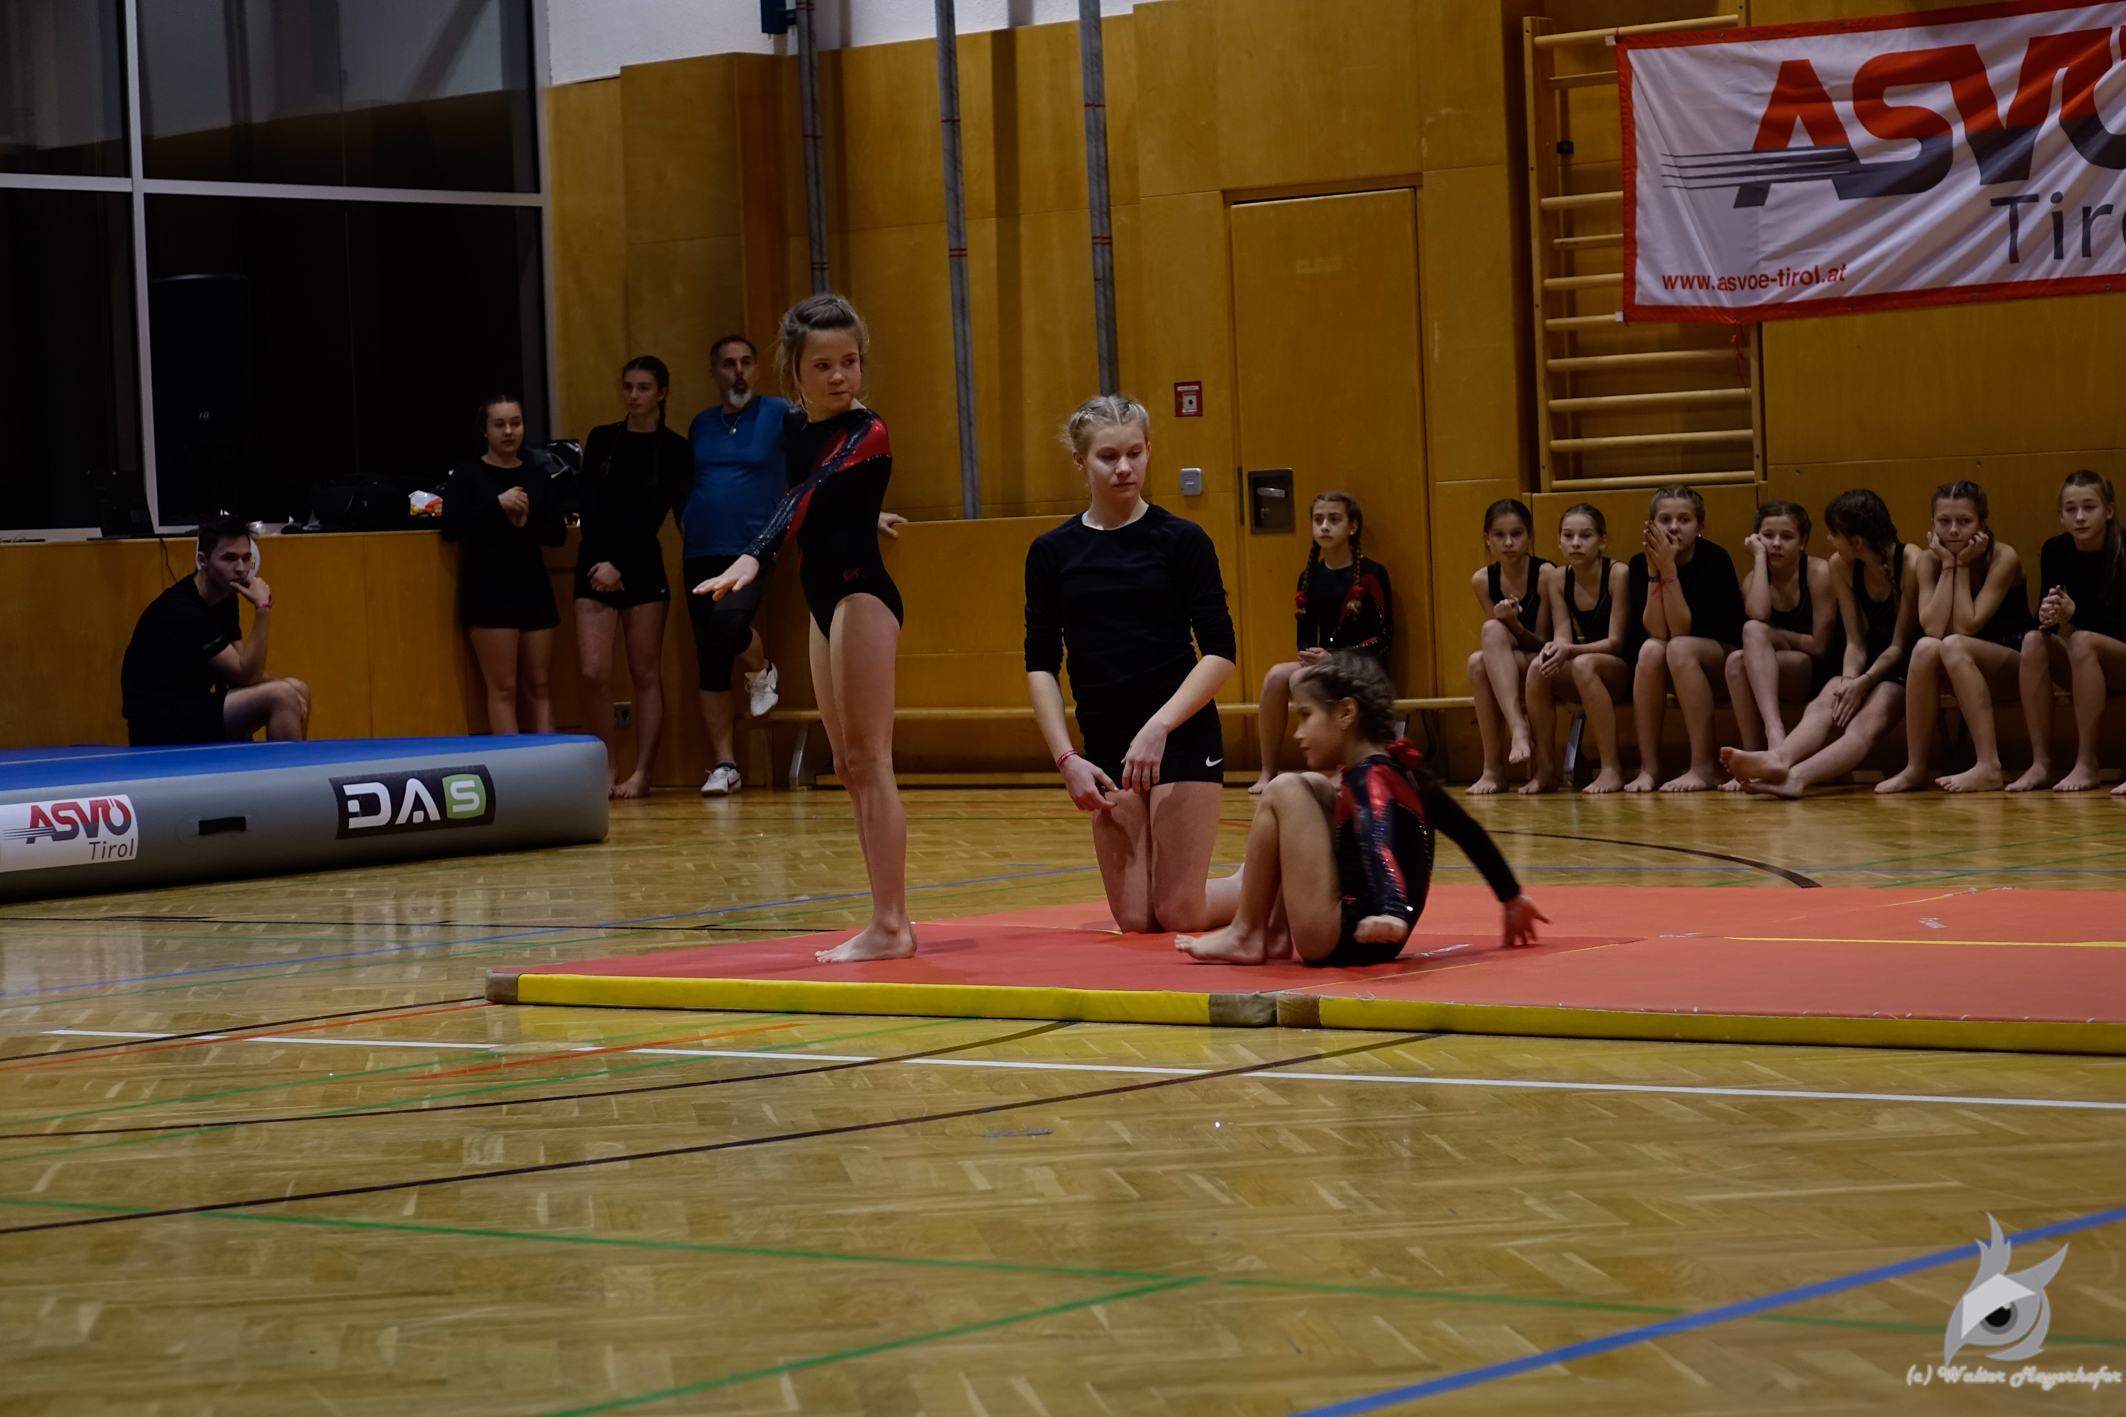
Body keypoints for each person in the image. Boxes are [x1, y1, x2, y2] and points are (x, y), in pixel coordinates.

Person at [696, 294, 913, 963]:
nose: (840, 375)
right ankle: (883, 919)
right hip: (823, 597)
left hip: (862, 594)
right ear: (794, 371)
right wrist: (863, 513)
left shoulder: (869, 428)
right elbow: (818, 493)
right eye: (823, 366)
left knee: (871, 761)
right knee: (846, 766)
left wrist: (752, 554)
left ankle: (892, 924)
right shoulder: (793, 427)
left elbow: (807, 492)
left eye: (850, 361)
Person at [1175, 651, 1545, 965]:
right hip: (1375, 934)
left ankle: (1246, 932)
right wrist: (1510, 895)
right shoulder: (1403, 770)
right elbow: (1468, 831)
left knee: (1284, 788)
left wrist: (1392, 909)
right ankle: (1273, 934)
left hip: (1351, 935)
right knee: (1314, 786)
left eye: (1305, 715)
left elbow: (1376, 839)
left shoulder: (1371, 779)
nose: (1298, 733)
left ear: (1346, 713)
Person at [1026, 394, 1239, 935]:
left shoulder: (1182, 540)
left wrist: (1159, 727)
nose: (1124, 467)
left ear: (1148, 451)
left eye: (1135, 453)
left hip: (1177, 731)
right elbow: (1041, 664)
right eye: (1108, 456)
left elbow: (1220, 652)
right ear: (1080, 461)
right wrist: (1067, 758)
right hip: (1107, 742)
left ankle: (1266, 879)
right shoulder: (1052, 552)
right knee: (1137, 920)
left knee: (1180, 912)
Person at [1721, 490, 1920, 798]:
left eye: (1833, 534)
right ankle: (1779, 758)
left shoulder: (1910, 561)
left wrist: (1865, 681)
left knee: (1864, 724)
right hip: (1870, 656)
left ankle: (1796, 778)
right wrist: (1849, 680)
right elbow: (1855, 640)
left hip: (1907, 660)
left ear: (1855, 541)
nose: (1829, 540)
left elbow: (1900, 643)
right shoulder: (1841, 564)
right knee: (1822, 705)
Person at [575, 356, 691, 798]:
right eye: (628, 387)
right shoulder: (602, 438)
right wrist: (603, 564)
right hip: (594, 563)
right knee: (593, 671)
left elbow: (654, 514)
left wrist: (620, 566)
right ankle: (606, 766)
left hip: (640, 565)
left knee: (645, 672)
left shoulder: (675, 448)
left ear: (662, 393)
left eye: (643, 388)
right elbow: (588, 503)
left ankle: (643, 773)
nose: (634, 396)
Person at [1878, 480, 2034, 793]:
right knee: (1925, 647)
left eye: (1964, 521)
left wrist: (1961, 565)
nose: (1953, 530)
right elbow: (1933, 628)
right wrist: (1949, 564)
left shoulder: (2003, 558)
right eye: (1944, 521)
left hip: (2013, 666)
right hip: (1961, 661)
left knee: (1953, 645)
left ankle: (1989, 766)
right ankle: (1915, 767)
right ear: (1933, 524)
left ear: (1982, 524)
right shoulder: (1928, 561)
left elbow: (1966, 626)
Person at [682, 336, 788, 797]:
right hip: (699, 549)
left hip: (752, 547)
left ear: (757, 369)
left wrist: (864, 513)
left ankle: (762, 669)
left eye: (746, 362)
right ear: (715, 373)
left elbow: (817, 467)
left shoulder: (779, 413)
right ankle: (725, 765)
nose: (739, 371)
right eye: (729, 364)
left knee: (728, 626)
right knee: (710, 659)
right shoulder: (702, 424)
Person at [1249, 491, 1392, 793]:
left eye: (1334, 519)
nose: (1324, 526)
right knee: (1275, 676)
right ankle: (1268, 770)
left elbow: (1383, 638)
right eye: (1318, 520)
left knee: (1301, 679)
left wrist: (1335, 658)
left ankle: (1345, 766)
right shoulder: (1310, 577)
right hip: (1324, 661)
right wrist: (1308, 654)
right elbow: (1304, 633)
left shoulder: (1372, 574)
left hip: (1364, 665)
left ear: (1352, 527)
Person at [120, 516, 309, 745]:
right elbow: (246, 675)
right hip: (159, 723)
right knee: (283, 695)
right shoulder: (181, 610)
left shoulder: (226, 598)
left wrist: (288, 688)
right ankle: (285, 771)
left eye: (246, 558)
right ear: (203, 560)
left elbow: (241, 673)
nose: (240, 568)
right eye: (229, 558)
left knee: (297, 689)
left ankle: (293, 765)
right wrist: (263, 608)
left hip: (194, 706)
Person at [443, 395, 565, 735]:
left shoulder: (536, 474)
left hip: (534, 588)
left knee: (539, 686)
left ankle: (548, 764)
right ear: (485, 431)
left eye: (516, 423)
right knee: (503, 689)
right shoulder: (467, 475)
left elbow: (558, 534)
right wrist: (497, 505)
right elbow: (451, 528)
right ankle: (512, 767)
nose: (509, 431)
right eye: (499, 425)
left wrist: (525, 525)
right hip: (488, 590)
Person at [1623, 485, 1746, 792]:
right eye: (1664, 519)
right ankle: (1650, 768)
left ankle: (1704, 767)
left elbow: (1680, 630)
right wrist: (1655, 570)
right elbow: (1657, 631)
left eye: (1684, 519)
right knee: (1650, 650)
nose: (1674, 527)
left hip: (1722, 663)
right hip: (1676, 661)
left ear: (1700, 526)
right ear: (1651, 525)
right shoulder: (1638, 564)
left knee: (1679, 648)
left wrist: (1668, 569)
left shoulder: (1715, 558)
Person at [2009, 471, 2126, 794]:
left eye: (2089, 507)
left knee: (2082, 639)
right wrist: (2046, 616)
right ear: (2060, 515)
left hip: (2117, 656)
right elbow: (2048, 623)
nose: (2080, 517)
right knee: (2033, 641)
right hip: (2088, 660)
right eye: (2071, 509)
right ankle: (2041, 764)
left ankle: (2087, 763)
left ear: (2109, 510)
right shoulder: (2055, 549)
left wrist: (2077, 615)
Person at [1721, 500, 1839, 773]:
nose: (1776, 544)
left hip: (1817, 671)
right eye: (1768, 536)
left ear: (1802, 542)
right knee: (1736, 661)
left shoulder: (1818, 572)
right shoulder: (1753, 580)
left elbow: (1819, 646)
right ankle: (1752, 757)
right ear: (1756, 539)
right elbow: (1758, 614)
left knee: (1754, 632)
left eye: (1787, 537)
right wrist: (1758, 559)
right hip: (1777, 668)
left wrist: (1777, 635)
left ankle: (1774, 733)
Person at [1522, 503, 1631, 794]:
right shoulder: (1558, 578)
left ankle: (1611, 768)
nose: (1576, 543)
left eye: (1585, 536)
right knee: (1537, 667)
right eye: (1568, 536)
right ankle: (1546, 771)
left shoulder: (1618, 574)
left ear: (1602, 542)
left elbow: (1616, 643)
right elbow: (1562, 635)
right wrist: (1555, 649)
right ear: (1559, 541)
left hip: (1622, 669)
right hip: (1586, 665)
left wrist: (1569, 650)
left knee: (1583, 665)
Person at [1464, 499, 1552, 794]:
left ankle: (1520, 733)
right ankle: (1493, 770)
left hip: (1546, 660)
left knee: (1490, 641)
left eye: (1516, 534)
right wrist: (1507, 625)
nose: (1508, 542)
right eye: (1499, 535)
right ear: (1487, 538)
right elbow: (1497, 643)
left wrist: (1515, 624)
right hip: (1512, 661)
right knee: (1478, 661)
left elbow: (1545, 641)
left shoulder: (1545, 574)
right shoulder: (1482, 580)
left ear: (1529, 535)